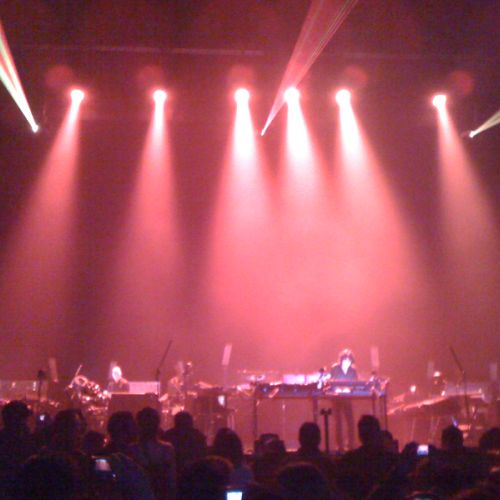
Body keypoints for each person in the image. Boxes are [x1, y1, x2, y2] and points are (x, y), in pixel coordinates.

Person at [330, 348, 358, 451]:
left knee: (350, 422)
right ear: (341, 360)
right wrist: (339, 388)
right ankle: (339, 445)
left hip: (347, 399)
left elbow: (355, 384)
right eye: (345, 360)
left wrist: (348, 389)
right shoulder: (335, 368)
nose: (347, 362)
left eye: (349, 360)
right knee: (338, 422)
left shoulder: (353, 371)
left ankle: (350, 444)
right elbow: (331, 383)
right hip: (336, 399)